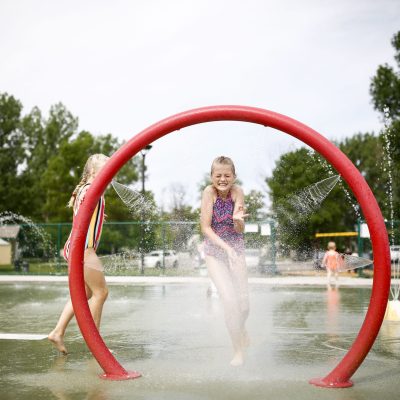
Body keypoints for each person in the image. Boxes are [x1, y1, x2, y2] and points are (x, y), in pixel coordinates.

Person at [48, 154, 110, 354]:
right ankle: (96, 345)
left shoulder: (92, 191)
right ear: (93, 171)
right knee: (101, 293)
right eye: (105, 168)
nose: (110, 172)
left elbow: (84, 210)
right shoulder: (91, 190)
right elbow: (85, 200)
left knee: (84, 293)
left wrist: (99, 214)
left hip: (78, 247)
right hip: (84, 249)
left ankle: (57, 332)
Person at [200, 156, 249, 366]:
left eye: (227, 175)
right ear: (211, 177)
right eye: (218, 175)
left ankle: (241, 329)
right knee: (229, 301)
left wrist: (238, 221)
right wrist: (226, 248)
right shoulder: (208, 193)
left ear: (234, 176)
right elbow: (205, 228)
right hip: (215, 252)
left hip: (236, 251)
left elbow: (239, 229)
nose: (222, 179)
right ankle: (237, 351)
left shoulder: (238, 192)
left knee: (244, 305)